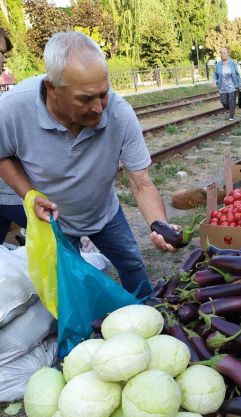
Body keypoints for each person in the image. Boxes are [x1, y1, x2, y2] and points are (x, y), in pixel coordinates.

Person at [0, 30, 177, 298]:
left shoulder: (119, 113)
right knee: (71, 288)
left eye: (103, 94)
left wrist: (159, 225)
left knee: (132, 264)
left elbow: (141, 183)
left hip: (105, 214)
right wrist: (29, 194)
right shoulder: (13, 109)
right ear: (52, 89)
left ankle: (147, 312)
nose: (98, 108)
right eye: (84, 98)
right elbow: (2, 155)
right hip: (55, 222)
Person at [0, 28, 27, 244]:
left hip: (10, 192)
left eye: (4, 54)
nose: (2, 59)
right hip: (11, 195)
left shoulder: (4, 99)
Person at [213, 47, 241, 121]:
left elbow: (237, 74)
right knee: (224, 101)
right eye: (222, 53)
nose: (223, 54)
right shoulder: (218, 64)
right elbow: (215, 74)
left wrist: (239, 84)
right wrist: (214, 81)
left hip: (232, 86)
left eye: (224, 53)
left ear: (227, 54)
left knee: (232, 101)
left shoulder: (232, 63)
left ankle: (231, 116)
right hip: (222, 87)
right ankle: (232, 108)